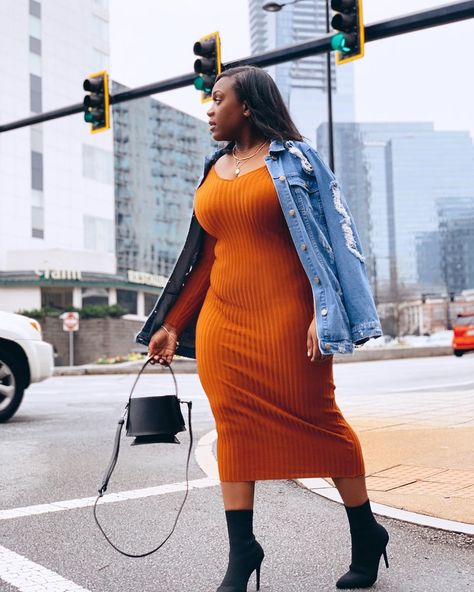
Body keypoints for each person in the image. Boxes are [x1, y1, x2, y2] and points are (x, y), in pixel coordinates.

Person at [142, 65, 388, 591]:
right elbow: (205, 257)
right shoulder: (214, 168)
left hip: (288, 319)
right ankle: (242, 551)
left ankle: (366, 533)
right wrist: (172, 323)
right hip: (222, 324)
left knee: (321, 420)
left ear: (247, 106)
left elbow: (334, 243)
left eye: (218, 99)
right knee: (233, 429)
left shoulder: (297, 161)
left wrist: (326, 315)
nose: (209, 110)